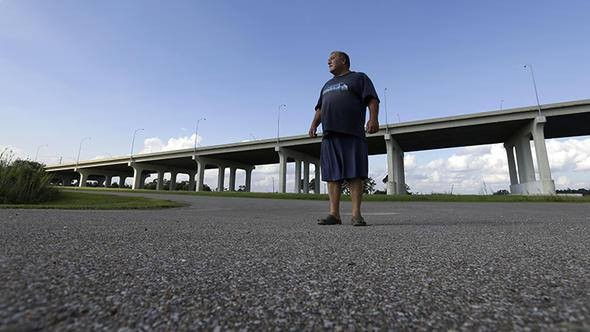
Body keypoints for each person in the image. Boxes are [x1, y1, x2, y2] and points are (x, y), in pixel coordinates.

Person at [308, 51, 380, 226]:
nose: (328, 61)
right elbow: (320, 108)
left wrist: (373, 118)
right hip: (330, 134)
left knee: (355, 173)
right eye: (328, 59)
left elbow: (372, 100)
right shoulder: (326, 85)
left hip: (352, 132)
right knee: (332, 175)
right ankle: (334, 214)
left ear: (344, 61)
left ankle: (356, 214)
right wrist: (313, 124)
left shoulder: (359, 78)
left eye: (333, 58)